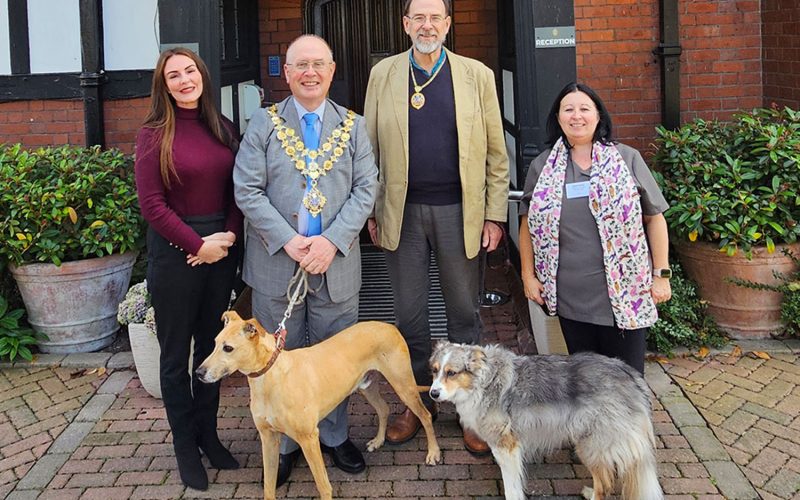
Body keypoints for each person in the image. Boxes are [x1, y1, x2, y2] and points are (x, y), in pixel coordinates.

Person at [363, 0, 509, 455]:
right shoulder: (383, 74)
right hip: (401, 212)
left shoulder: (476, 75)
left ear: (447, 24)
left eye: (435, 18)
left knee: (463, 312)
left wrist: (494, 214)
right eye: (418, 18)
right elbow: (366, 151)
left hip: (459, 211)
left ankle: (469, 408)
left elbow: (495, 154)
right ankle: (416, 405)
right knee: (409, 315)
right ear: (405, 25)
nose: (427, 25)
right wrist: (370, 209)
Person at [233, 35, 378, 486]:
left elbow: (366, 188)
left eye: (318, 65)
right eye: (300, 66)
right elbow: (247, 189)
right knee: (278, 356)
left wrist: (331, 241)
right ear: (287, 73)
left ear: (332, 71)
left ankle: (333, 437)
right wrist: (288, 240)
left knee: (338, 359)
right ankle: (290, 441)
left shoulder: (353, 126)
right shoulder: (264, 124)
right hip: (278, 262)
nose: (310, 73)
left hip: (335, 262)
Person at [134, 47, 242, 491]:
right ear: (164, 85)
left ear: (203, 75)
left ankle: (208, 436)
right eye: (173, 75)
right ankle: (184, 445)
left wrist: (228, 239)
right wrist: (198, 245)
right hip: (177, 255)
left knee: (212, 349)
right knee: (176, 354)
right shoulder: (153, 134)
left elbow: (239, 190)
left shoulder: (223, 128)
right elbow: (152, 205)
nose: (184, 80)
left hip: (222, 249)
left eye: (190, 70)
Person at [519, 82, 672, 375]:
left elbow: (655, 218)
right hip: (569, 298)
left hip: (625, 293)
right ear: (558, 117)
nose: (577, 116)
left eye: (584, 108)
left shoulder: (627, 158)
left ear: (599, 115)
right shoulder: (542, 166)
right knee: (587, 384)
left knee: (627, 382)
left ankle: (630, 425)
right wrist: (528, 275)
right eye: (568, 109)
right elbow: (527, 222)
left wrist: (661, 274)